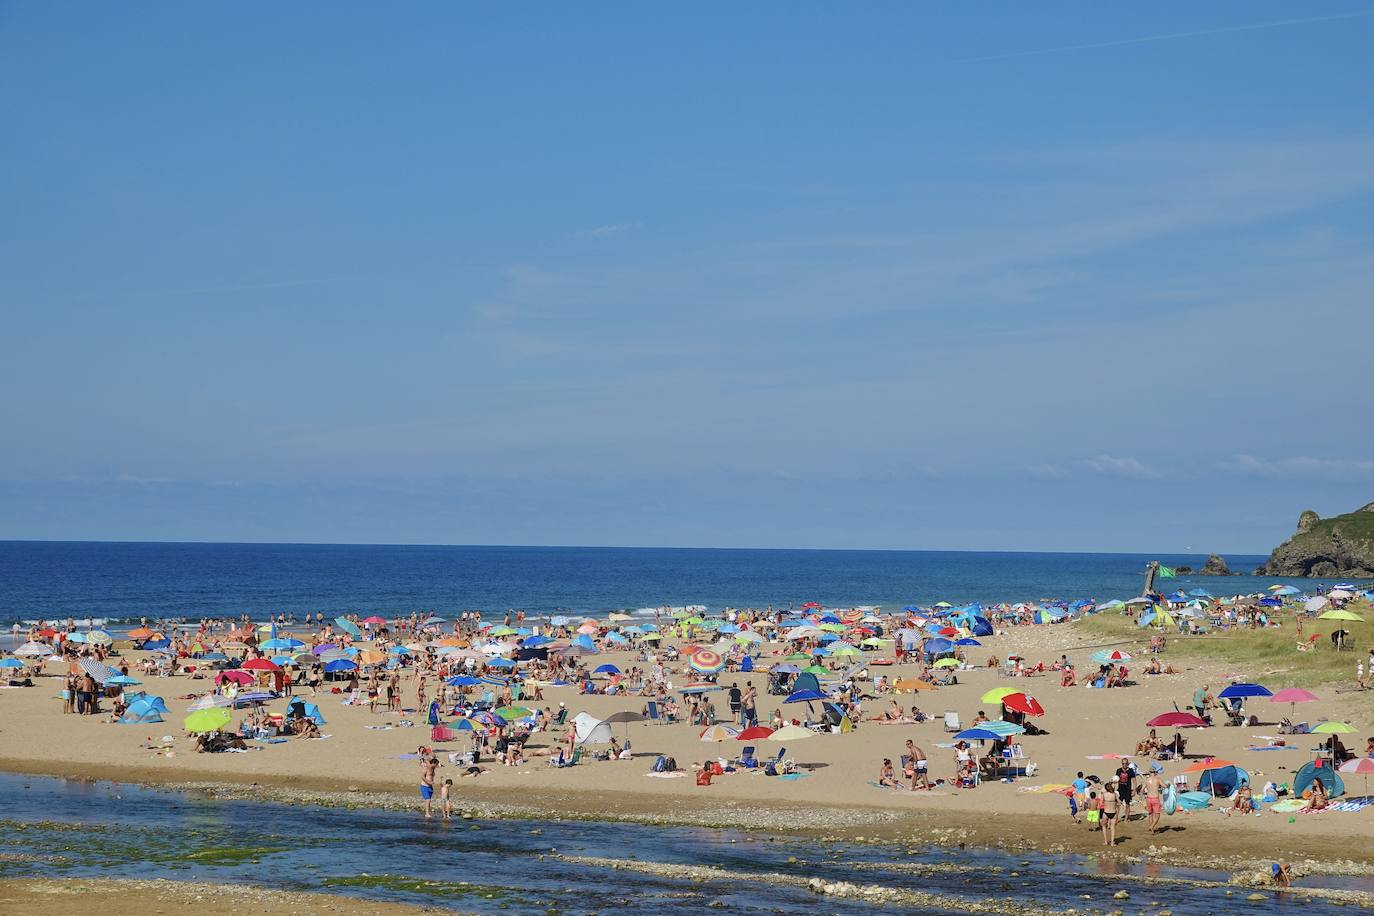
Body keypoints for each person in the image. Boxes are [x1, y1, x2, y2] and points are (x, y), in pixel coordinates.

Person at [1142, 767, 1164, 833]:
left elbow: (1142, 789)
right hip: (1155, 798)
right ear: (1155, 773)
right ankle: (1152, 826)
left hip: (1148, 799)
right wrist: (1169, 785)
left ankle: (1152, 830)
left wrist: (1143, 798)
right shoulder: (1158, 779)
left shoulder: (1146, 780)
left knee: (1150, 814)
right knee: (1157, 815)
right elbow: (1165, 786)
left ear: (1149, 772)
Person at [1101, 778, 1120, 846]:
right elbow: (1119, 802)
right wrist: (1115, 803)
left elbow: (1100, 803)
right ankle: (1112, 842)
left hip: (1106, 812)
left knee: (1103, 826)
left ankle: (1106, 841)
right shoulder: (1114, 794)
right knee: (1113, 827)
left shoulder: (1104, 794)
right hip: (1113, 812)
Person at [420, 752, 439, 818]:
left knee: (428, 801)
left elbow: (432, 758)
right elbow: (422, 776)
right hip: (424, 786)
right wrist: (429, 782)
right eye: (436, 764)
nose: (436, 766)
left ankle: (427, 812)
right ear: (432, 762)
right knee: (428, 800)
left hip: (430, 787)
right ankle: (427, 814)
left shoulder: (433, 768)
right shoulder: (427, 767)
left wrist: (433, 756)